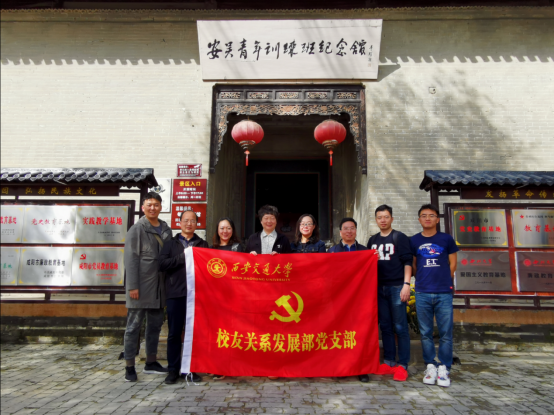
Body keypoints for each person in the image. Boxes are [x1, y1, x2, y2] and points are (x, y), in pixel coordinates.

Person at [358, 205, 413, 383]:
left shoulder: (399, 237)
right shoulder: (372, 240)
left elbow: (408, 262)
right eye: (380, 217)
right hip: (378, 288)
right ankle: (389, 361)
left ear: (392, 219)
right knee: (385, 326)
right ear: (376, 219)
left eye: (386, 217)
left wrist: (406, 285)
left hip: (396, 287)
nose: (383, 220)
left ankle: (403, 364)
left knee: (400, 327)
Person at [123, 192, 172, 382]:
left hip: (159, 288)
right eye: (149, 204)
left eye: (156, 204)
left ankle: (151, 362)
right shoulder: (137, 229)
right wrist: (132, 286)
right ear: (143, 207)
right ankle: (129, 366)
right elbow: (131, 259)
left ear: (161, 207)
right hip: (140, 287)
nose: (153, 208)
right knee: (133, 327)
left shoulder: (166, 229)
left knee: (155, 326)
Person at [410, 204, 459, 388]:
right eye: (424, 215)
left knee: (445, 333)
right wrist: (422, 280)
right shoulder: (414, 240)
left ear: (437, 219)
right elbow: (414, 265)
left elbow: (453, 264)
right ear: (419, 219)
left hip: (443, 292)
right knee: (425, 333)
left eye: (431, 215)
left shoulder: (446, 239)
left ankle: (445, 367)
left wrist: (444, 279)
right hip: (422, 292)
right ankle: (430, 365)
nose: (428, 218)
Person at [158, 210, 208, 384]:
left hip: (196, 296)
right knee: (174, 333)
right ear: (179, 223)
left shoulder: (202, 244)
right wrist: (183, 257)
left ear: (197, 224)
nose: (189, 223)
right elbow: (162, 264)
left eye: (193, 221)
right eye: (186, 220)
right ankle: (173, 369)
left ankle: (190, 369)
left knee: (193, 334)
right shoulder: (170, 244)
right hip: (175, 294)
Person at [209, 217, 244, 381]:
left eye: (228, 228)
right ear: (217, 230)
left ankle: (230, 366)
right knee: (217, 333)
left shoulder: (239, 248)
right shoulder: (210, 249)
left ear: (232, 230)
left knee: (231, 332)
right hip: (215, 297)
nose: (225, 231)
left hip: (233, 296)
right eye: (222, 228)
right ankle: (215, 365)